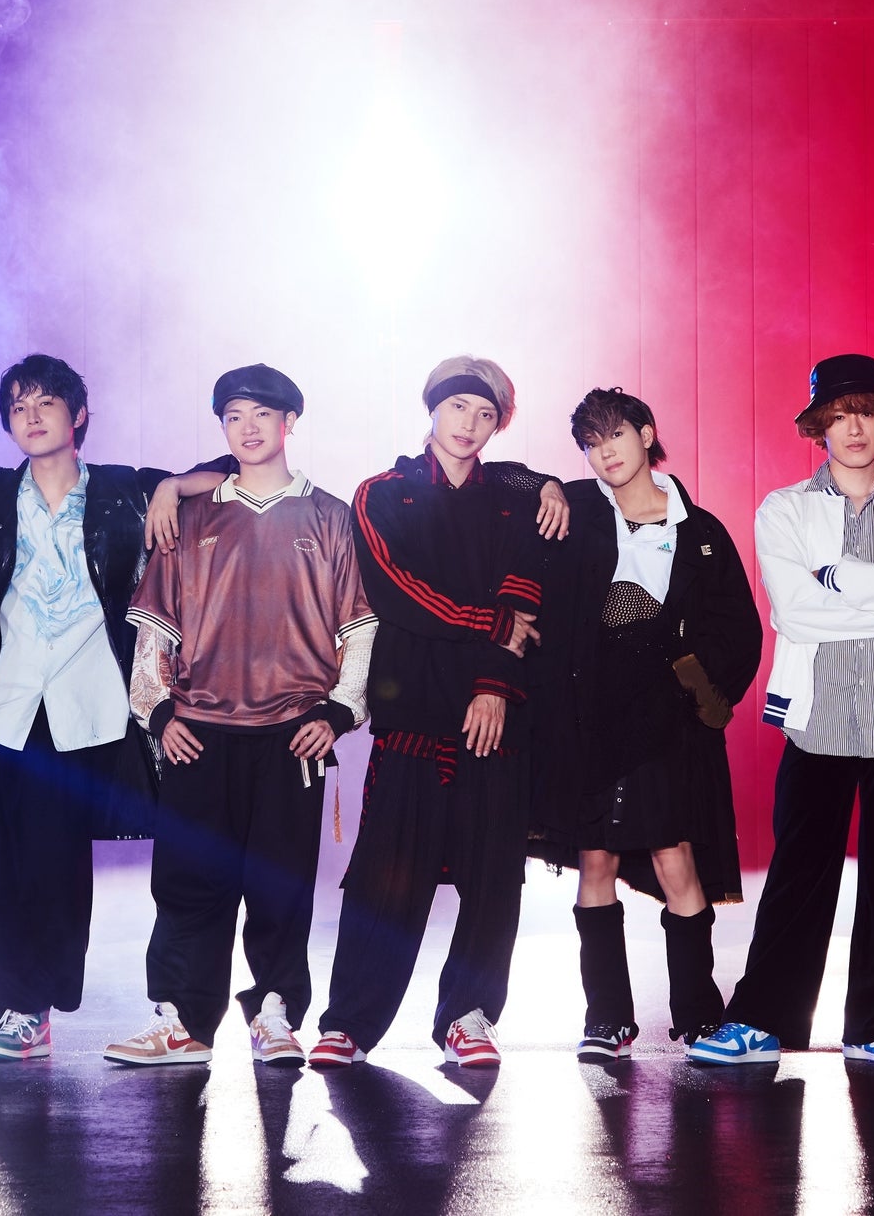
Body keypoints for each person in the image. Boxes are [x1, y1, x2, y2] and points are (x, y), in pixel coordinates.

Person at [0, 353, 220, 1061]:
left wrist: (170, 487)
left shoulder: (124, 491)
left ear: (78, 416)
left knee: (52, 864)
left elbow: (228, 475)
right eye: (18, 407)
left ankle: (32, 1008)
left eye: (46, 402)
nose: (32, 416)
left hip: (80, 709)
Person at [101, 364, 377, 1068]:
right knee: (189, 883)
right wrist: (158, 714)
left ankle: (276, 1014)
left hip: (291, 736)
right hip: (200, 731)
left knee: (280, 884)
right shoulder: (190, 516)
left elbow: (359, 629)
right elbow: (153, 634)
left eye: (261, 414)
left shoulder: (330, 516)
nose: (248, 428)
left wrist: (339, 713)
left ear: (290, 422)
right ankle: (183, 1022)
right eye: (233, 417)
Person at [690, 354, 874, 1068]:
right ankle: (762, 1022)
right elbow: (796, 614)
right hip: (818, 723)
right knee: (799, 876)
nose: (854, 428)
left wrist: (836, 578)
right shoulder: (785, 510)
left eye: (865, 412)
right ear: (819, 428)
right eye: (838, 416)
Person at [308, 356, 550, 1071]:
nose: (469, 425)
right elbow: (394, 590)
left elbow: (524, 597)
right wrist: (486, 623)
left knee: (492, 875)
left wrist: (494, 684)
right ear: (433, 410)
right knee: (386, 873)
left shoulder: (513, 500)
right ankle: (350, 1022)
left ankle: (469, 1017)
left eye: (485, 414)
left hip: (491, 712)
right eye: (458, 408)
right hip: (412, 708)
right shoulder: (384, 493)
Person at [533, 387, 763, 1062]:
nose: (604, 451)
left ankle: (699, 1017)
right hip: (590, 715)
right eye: (590, 442)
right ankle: (606, 1018)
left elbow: (740, 632)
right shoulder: (576, 511)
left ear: (646, 433)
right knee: (595, 858)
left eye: (615, 434)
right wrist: (544, 484)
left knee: (674, 856)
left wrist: (695, 695)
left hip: (666, 717)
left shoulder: (701, 532)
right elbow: (502, 490)